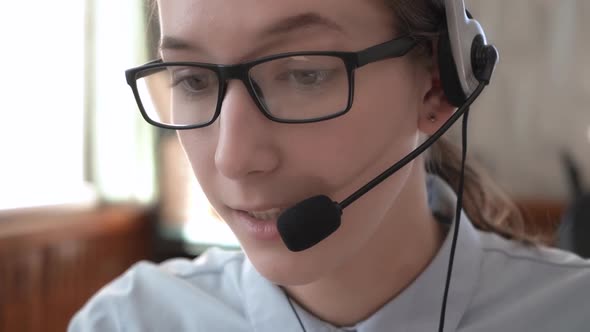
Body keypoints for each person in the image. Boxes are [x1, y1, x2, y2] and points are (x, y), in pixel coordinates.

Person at [69, 0, 590, 331]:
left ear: (437, 82)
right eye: (193, 80)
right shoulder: (127, 321)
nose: (232, 158)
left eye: (303, 74)